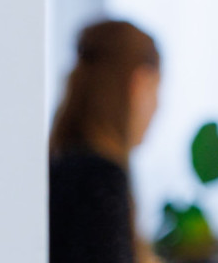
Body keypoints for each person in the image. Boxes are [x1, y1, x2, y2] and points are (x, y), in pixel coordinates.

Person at [49, 20, 162, 263]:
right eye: (157, 90)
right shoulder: (100, 180)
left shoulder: (61, 165)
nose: (158, 106)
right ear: (139, 84)